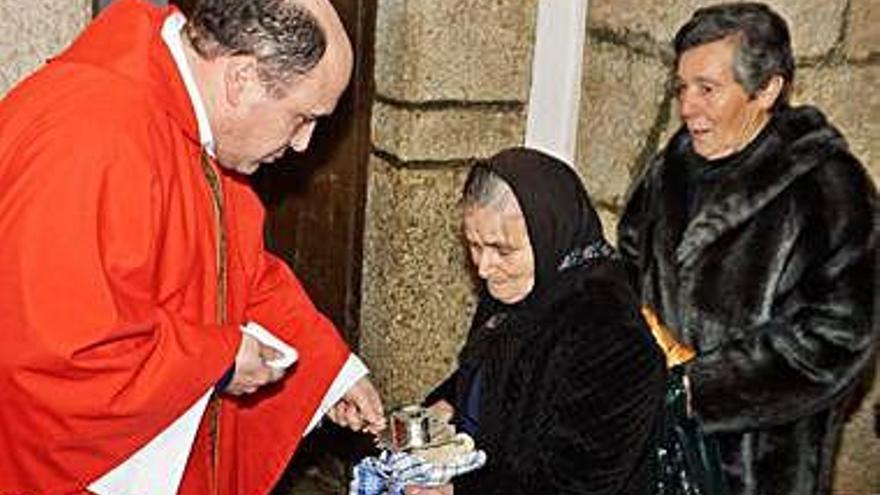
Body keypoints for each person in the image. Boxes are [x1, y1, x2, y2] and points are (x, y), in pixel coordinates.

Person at [0, 0, 386, 493]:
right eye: (301, 117)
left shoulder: (189, 123)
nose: (304, 144)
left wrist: (329, 372)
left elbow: (239, 272)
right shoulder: (89, 138)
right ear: (242, 77)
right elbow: (56, 351)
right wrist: (217, 361)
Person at [617, 3, 877, 495]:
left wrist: (701, 387)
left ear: (767, 90)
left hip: (761, 467)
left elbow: (840, 336)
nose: (688, 107)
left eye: (707, 89)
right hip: (657, 452)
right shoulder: (667, 172)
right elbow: (627, 276)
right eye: (682, 88)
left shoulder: (827, 185)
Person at [411, 148, 667, 495]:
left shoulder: (612, 336)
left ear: (551, 233)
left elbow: (574, 485)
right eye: (475, 245)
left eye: (502, 250)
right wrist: (448, 403)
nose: (484, 268)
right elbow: (494, 368)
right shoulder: (527, 287)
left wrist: (458, 491)